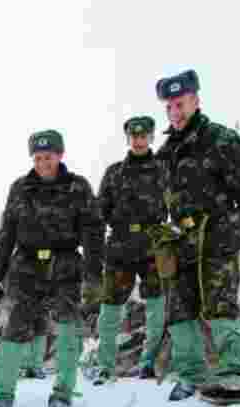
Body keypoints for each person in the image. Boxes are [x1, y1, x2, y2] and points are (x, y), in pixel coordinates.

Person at [152, 69, 240, 400]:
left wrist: (238, 229)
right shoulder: (166, 152)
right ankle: (192, 372)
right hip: (181, 241)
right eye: (170, 106)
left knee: (220, 303)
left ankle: (235, 368)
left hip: (216, 235)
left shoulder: (219, 139)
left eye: (181, 104)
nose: (176, 112)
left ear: (196, 101)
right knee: (180, 307)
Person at [0, 129, 104, 407]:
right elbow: (6, 234)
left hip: (65, 266)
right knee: (15, 328)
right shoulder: (20, 188)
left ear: (60, 156)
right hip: (26, 268)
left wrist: (93, 275)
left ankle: (62, 392)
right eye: (37, 158)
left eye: (47, 157)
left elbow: (94, 233)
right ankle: (3, 393)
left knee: (67, 328)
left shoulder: (78, 187)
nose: (42, 164)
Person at [88, 115, 168, 384]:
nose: (138, 140)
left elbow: (177, 206)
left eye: (143, 135)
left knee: (157, 306)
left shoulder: (163, 169)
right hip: (120, 247)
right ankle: (105, 366)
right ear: (128, 139)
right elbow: (99, 213)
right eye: (134, 136)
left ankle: (149, 361)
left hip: (153, 246)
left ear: (150, 137)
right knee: (110, 310)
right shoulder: (114, 173)